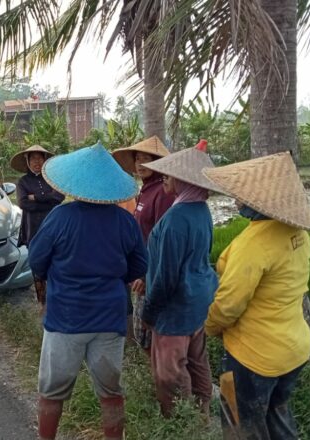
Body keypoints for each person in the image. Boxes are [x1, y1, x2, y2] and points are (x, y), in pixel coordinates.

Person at [28, 143, 147, 440]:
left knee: (52, 392)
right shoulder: (124, 221)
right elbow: (139, 266)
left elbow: (36, 261)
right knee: (110, 393)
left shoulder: (59, 216)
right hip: (109, 319)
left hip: (65, 319)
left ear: (74, 182)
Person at [202, 152, 310, 439]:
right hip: (294, 351)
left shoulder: (253, 243)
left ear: (259, 200)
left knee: (240, 425)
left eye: (242, 196)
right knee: (277, 415)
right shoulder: (298, 232)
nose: (236, 200)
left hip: (253, 357)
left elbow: (229, 304)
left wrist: (209, 327)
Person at [139, 141, 219, 418]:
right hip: (198, 301)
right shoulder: (201, 211)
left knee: (169, 373)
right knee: (197, 361)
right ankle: (203, 410)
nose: (165, 178)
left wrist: (149, 312)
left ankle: (183, 422)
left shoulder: (175, 219)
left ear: (184, 180)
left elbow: (167, 277)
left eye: (170, 174)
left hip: (175, 309)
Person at [112, 136, 176, 350]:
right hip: (140, 267)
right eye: (137, 159)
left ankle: (159, 378)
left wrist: (145, 275)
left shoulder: (162, 193)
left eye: (146, 159)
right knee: (143, 332)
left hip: (151, 272)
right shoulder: (145, 190)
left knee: (149, 332)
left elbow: (161, 239)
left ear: (157, 162)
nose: (140, 164)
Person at [10, 145, 64, 308]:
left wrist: (37, 197)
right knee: (37, 264)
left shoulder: (52, 178)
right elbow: (23, 203)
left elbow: (59, 197)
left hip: (53, 228)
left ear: (45, 160)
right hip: (33, 229)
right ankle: (42, 300)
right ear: (27, 161)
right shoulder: (23, 182)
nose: (37, 162)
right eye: (33, 158)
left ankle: (55, 297)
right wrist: (47, 200)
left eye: (40, 158)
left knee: (56, 261)